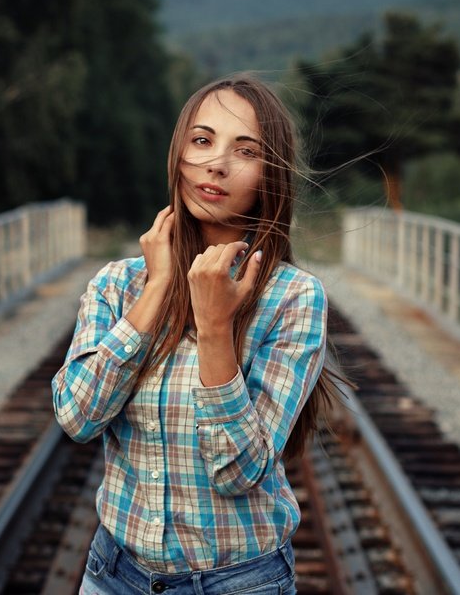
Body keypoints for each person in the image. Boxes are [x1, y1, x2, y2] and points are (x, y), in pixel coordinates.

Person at [52, 73, 339, 595]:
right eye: (202, 141)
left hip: (238, 583)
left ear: (269, 174)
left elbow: (238, 471)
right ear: (178, 153)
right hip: (114, 577)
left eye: (245, 150)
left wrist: (215, 327)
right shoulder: (119, 284)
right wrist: (157, 289)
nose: (216, 164)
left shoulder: (294, 299)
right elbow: (76, 416)